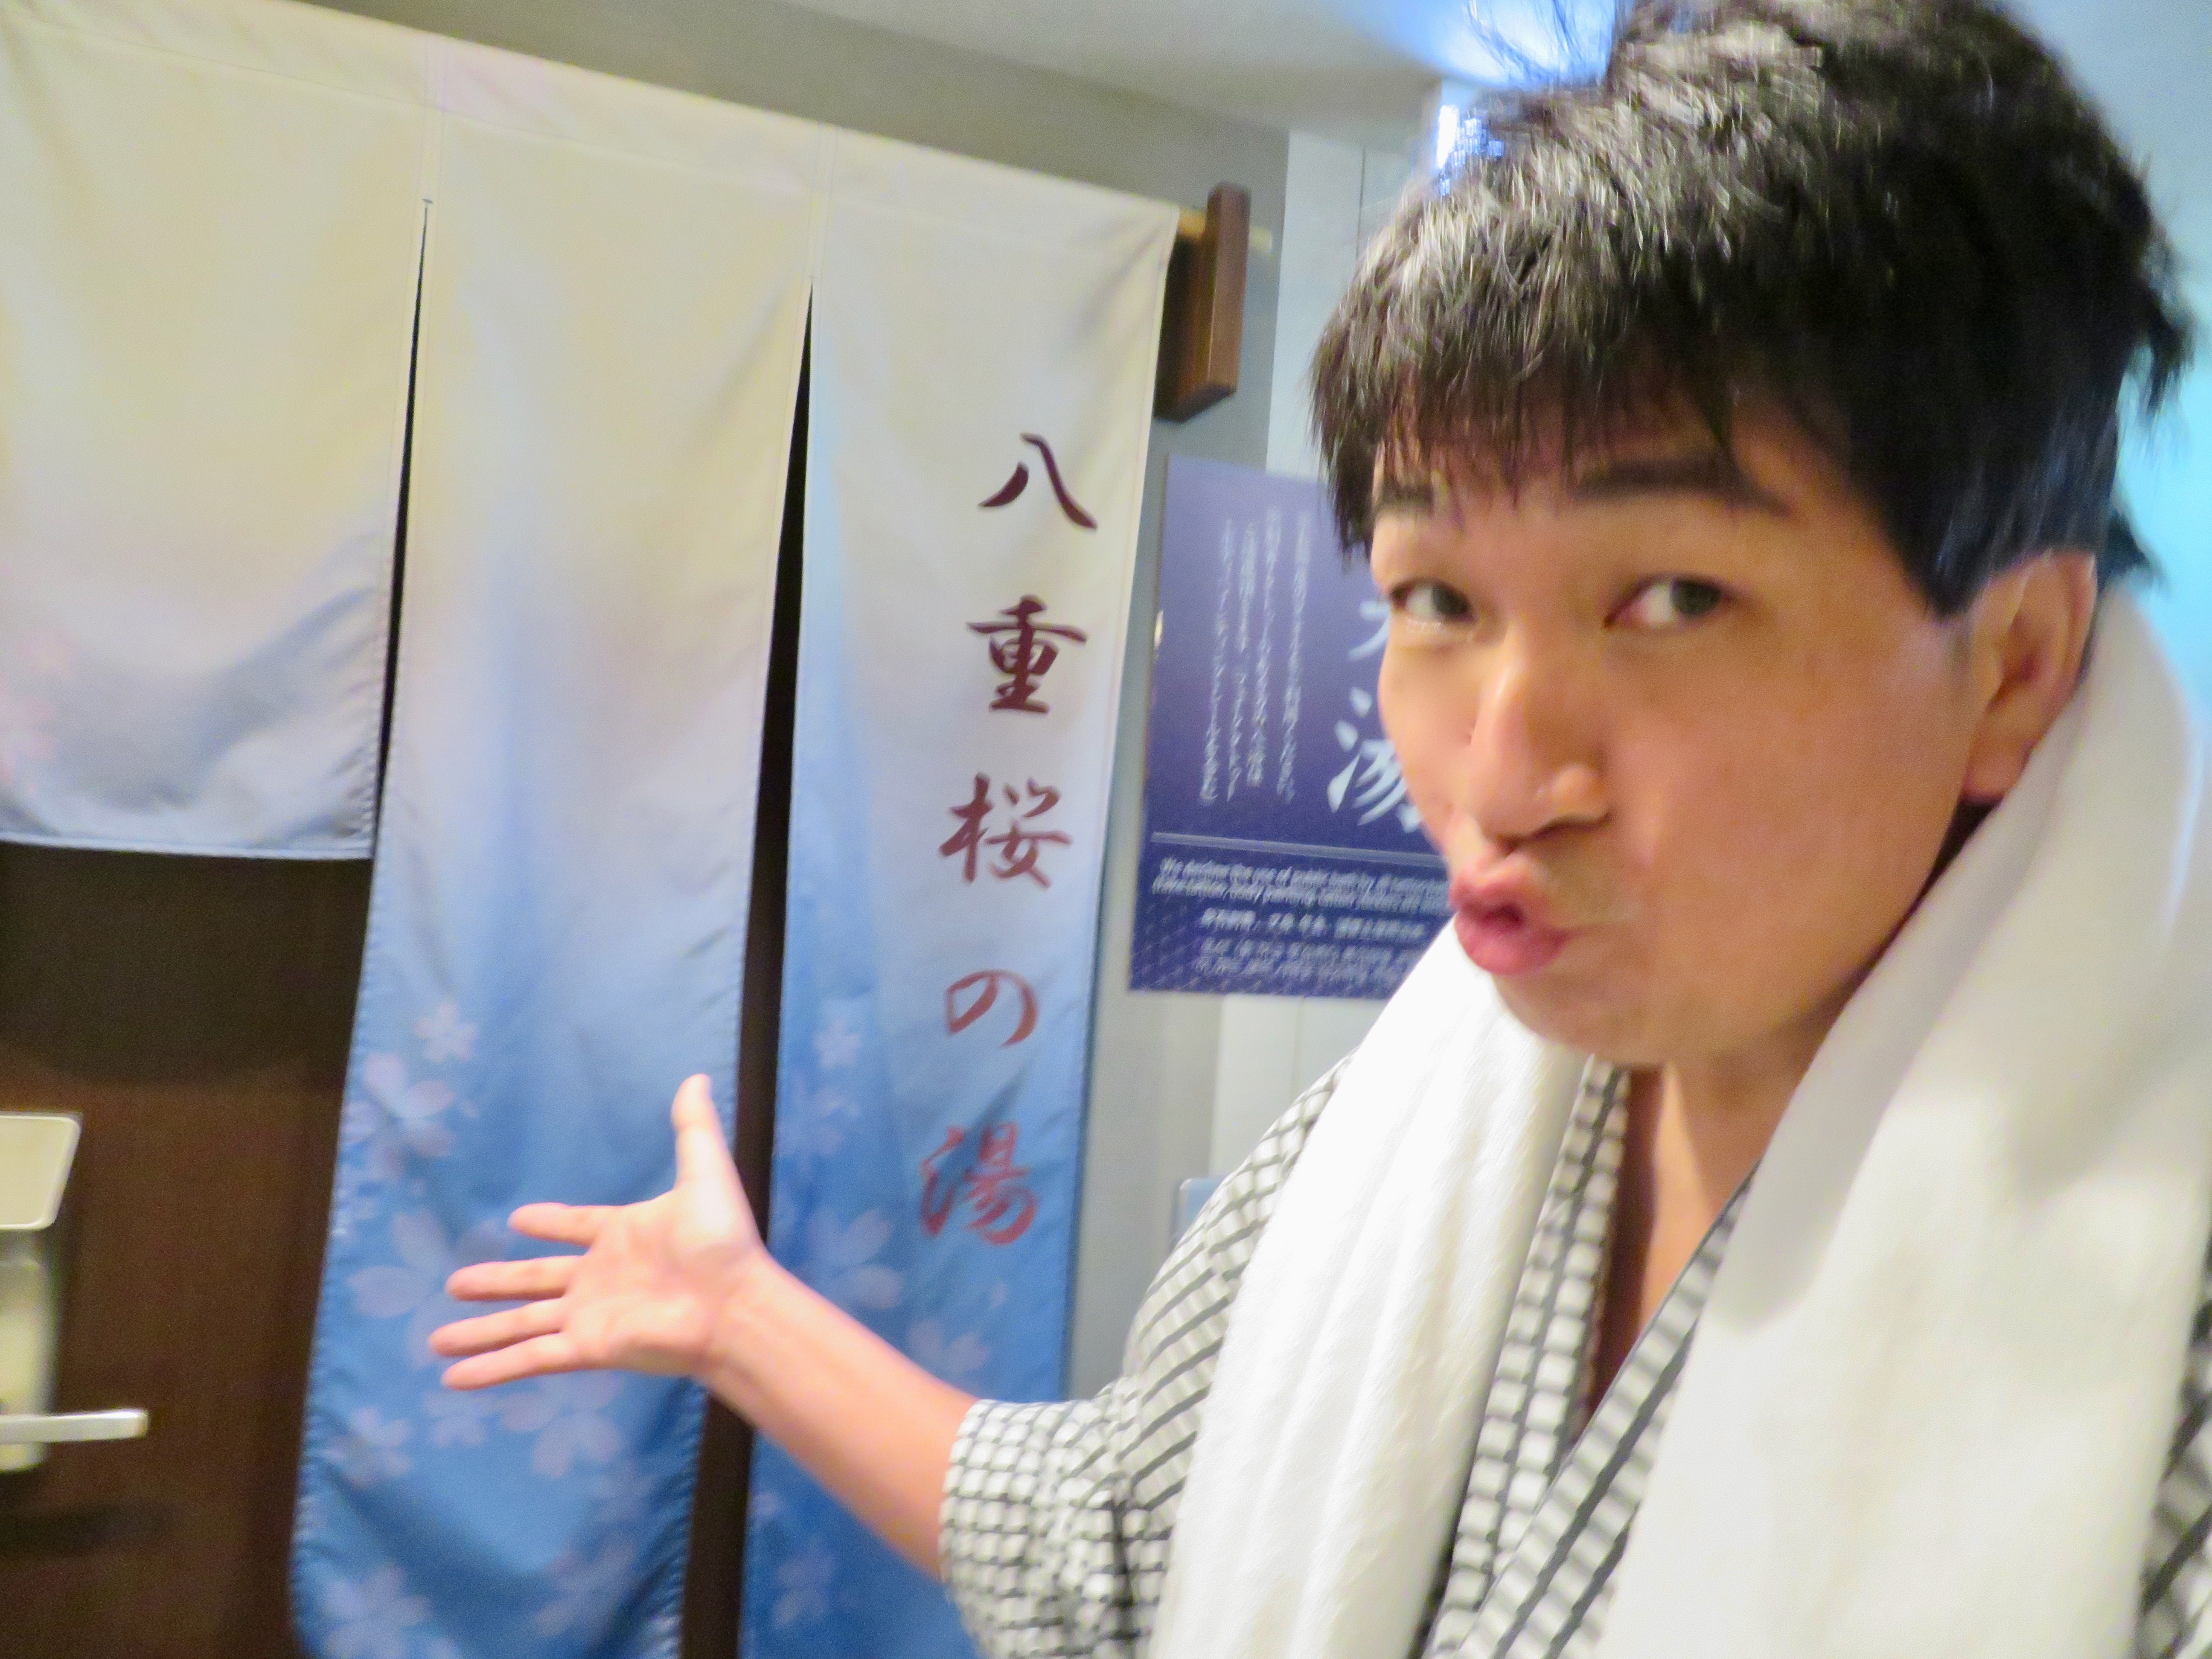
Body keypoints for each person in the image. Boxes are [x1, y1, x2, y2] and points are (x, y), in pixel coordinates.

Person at [432, 0, 2212, 1653]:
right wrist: (735, 1312)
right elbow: (1128, 1545)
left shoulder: (2165, 1330)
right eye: (1437, 599)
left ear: (2012, 663)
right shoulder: (1381, 1143)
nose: (1502, 779)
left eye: (1672, 596)